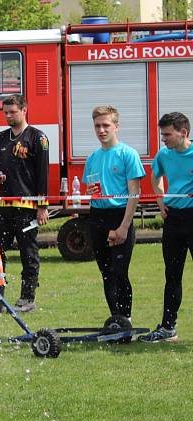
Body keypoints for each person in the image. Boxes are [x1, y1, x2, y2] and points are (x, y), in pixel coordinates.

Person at [0, 95, 49, 313]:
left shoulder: (37, 137)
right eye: (5, 112)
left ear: (24, 110)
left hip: (27, 207)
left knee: (28, 254)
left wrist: (42, 206)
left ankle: (27, 298)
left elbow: (43, 174)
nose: (8, 116)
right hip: (3, 205)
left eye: (12, 112)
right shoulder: (0, 138)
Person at [82, 105, 143, 322]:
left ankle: (125, 319)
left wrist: (124, 227)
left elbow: (134, 194)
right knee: (106, 274)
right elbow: (89, 187)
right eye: (97, 125)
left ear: (116, 126)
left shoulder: (129, 154)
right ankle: (115, 321)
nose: (101, 130)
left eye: (106, 125)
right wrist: (89, 190)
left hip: (120, 215)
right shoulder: (92, 158)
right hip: (97, 215)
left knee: (119, 272)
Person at [139, 112, 193, 342]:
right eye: (162, 135)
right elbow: (155, 177)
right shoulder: (164, 154)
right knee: (172, 276)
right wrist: (160, 202)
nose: (163, 139)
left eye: (167, 134)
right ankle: (168, 328)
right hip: (173, 220)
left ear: (183, 133)